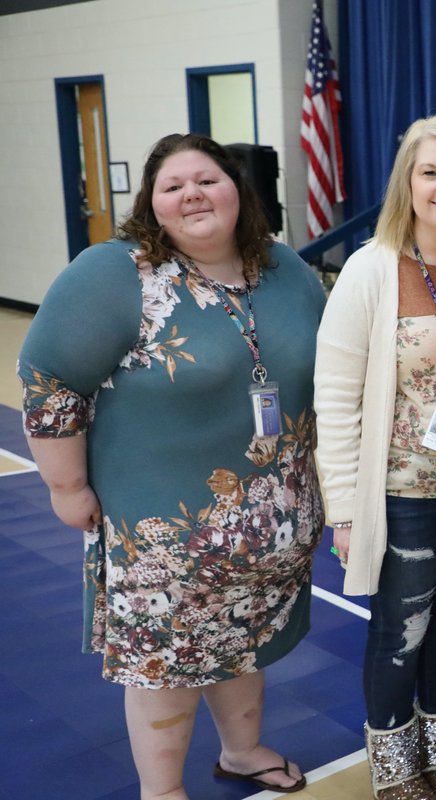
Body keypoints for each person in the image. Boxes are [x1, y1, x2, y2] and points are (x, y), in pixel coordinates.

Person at [18, 133, 326, 797]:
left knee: (244, 643)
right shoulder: (115, 274)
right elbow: (48, 378)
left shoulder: (283, 267)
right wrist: (65, 484)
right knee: (167, 665)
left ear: (238, 190)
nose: (192, 194)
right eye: (172, 185)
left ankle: (243, 753)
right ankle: (162, 791)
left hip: (273, 525)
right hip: (164, 533)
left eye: (207, 179)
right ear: (152, 206)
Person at [314, 113, 436, 800]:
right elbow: (334, 397)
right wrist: (344, 508)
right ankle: (395, 770)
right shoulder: (369, 269)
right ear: (407, 183)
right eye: (431, 172)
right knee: (403, 633)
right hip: (398, 496)